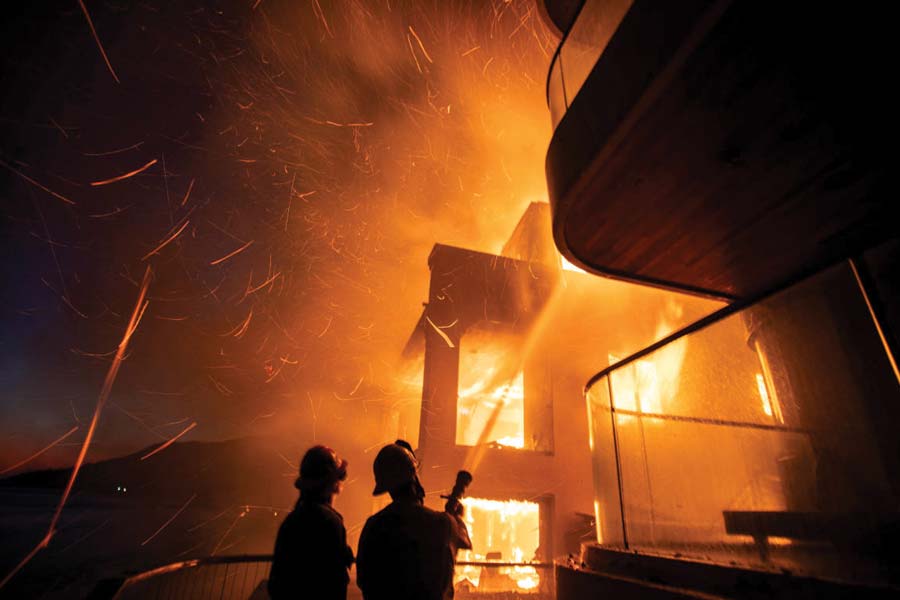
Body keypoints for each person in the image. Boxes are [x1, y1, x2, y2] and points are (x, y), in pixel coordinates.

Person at [356, 441, 472, 600]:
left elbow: (364, 580)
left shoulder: (374, 526)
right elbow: (463, 541)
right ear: (414, 479)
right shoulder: (443, 524)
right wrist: (454, 517)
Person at [268, 445, 354, 600]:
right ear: (333, 483)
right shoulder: (330, 522)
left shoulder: (292, 521)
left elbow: (277, 584)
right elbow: (335, 585)